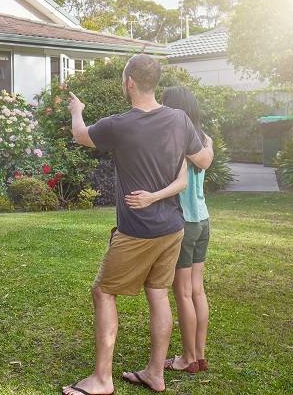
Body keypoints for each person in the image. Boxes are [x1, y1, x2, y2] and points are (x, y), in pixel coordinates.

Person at [62, 54, 214, 395]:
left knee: (103, 292)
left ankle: (102, 379)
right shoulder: (179, 119)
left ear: (129, 81)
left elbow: (81, 136)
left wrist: (77, 110)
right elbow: (203, 160)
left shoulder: (119, 124)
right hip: (173, 227)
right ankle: (155, 373)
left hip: (137, 230)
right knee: (158, 293)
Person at [161, 87, 213, 375]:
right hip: (203, 219)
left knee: (182, 292)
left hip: (184, 222)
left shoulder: (176, 140)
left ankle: (187, 358)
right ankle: (200, 356)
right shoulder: (204, 139)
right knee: (197, 290)